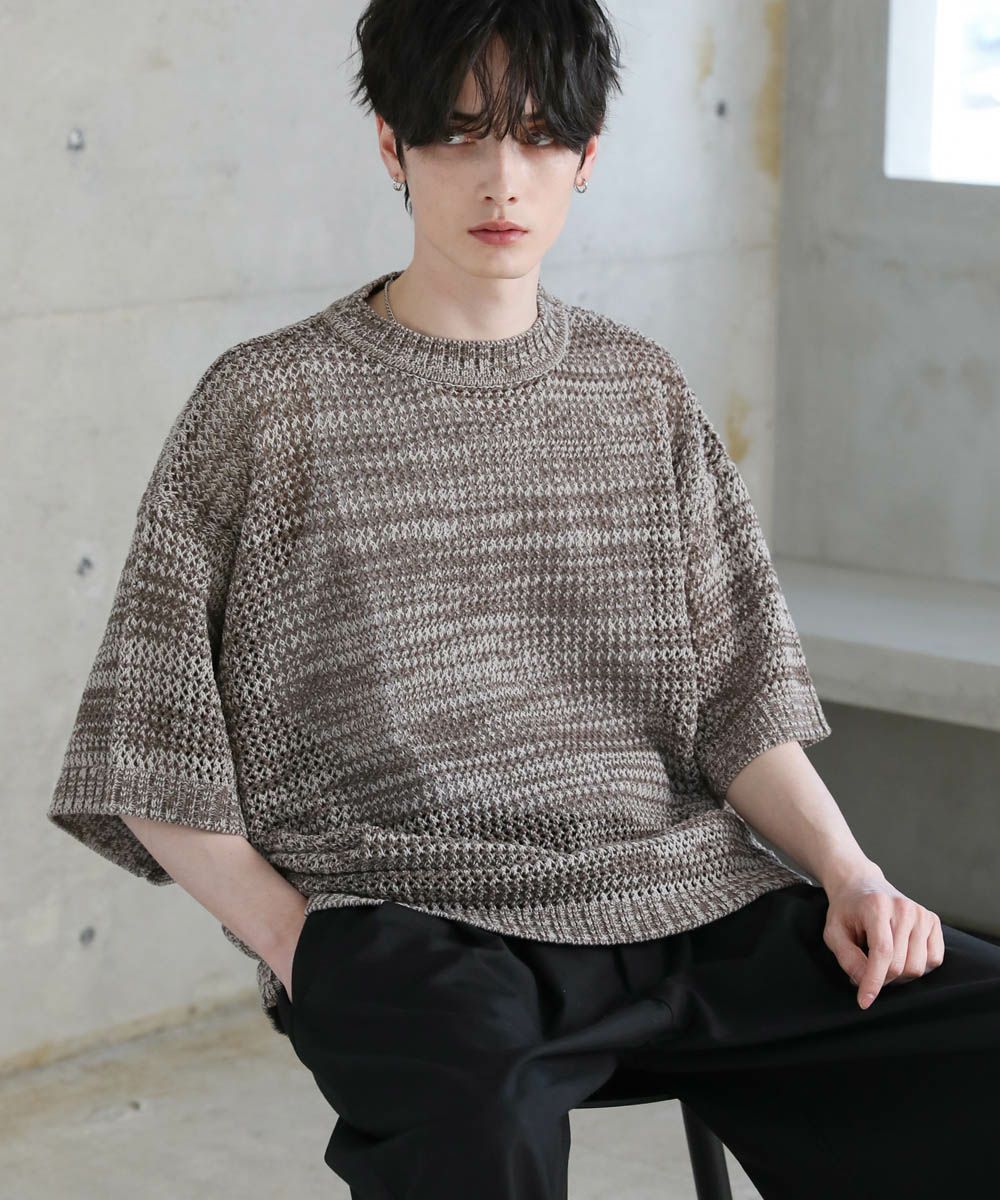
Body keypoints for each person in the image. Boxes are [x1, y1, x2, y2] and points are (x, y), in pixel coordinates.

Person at [47, 2, 1000, 1197]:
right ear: (391, 147)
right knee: (478, 1124)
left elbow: (739, 704)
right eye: (457, 134)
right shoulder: (266, 407)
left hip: (673, 893)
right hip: (408, 917)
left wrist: (853, 875)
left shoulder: (638, 392)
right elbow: (149, 749)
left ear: (587, 158)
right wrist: (301, 948)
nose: (502, 177)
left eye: (541, 136)